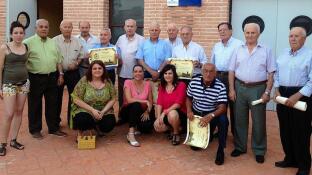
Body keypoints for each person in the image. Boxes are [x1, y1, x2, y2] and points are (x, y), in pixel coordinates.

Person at [228, 19, 276, 163]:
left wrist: (267, 92)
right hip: (240, 88)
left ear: (258, 34)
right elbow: (231, 70)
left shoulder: (266, 50)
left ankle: (259, 149)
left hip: (258, 89)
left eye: (253, 33)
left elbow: (271, 73)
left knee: (258, 121)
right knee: (240, 120)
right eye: (247, 32)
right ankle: (240, 147)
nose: (250, 35)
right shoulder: (237, 49)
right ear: (244, 33)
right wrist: (232, 89)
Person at [274, 26, 311, 175]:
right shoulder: (283, 54)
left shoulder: (310, 55)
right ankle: (290, 158)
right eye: (291, 36)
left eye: (297, 36)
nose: (293, 39)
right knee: (285, 129)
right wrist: (276, 90)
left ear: (304, 38)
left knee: (301, 131)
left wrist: (297, 96)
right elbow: (276, 73)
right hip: (282, 93)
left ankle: (304, 165)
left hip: (301, 95)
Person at [24, 19, 67, 139]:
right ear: (36, 28)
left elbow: (58, 60)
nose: (44, 29)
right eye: (41, 27)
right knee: (35, 104)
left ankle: (53, 128)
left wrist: (61, 74)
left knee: (53, 103)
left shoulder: (52, 42)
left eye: (46, 27)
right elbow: (24, 62)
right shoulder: (27, 42)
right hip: (35, 77)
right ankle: (35, 130)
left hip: (52, 77)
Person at [186, 63, 228, 165]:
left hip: (211, 114)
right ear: (202, 71)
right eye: (205, 71)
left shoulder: (220, 86)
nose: (208, 74)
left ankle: (221, 150)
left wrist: (211, 116)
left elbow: (222, 108)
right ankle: (209, 135)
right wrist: (189, 110)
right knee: (195, 148)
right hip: (196, 114)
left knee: (224, 120)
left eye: (211, 71)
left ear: (215, 73)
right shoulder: (194, 82)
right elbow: (188, 98)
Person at [0, 21, 28, 156]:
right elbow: (0, 68)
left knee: (19, 111)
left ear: (24, 34)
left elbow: (25, 64)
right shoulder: (4, 47)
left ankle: (14, 140)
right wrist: (0, 87)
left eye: (21, 33)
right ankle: (2, 143)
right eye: (16, 33)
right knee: (9, 113)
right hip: (8, 84)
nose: (18, 35)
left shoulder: (26, 47)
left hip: (23, 83)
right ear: (11, 34)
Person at [211, 22, 243, 136]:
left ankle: (236, 134)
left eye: (224, 29)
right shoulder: (216, 46)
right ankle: (221, 130)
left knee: (234, 107)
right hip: (218, 78)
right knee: (219, 105)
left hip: (232, 79)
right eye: (220, 30)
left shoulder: (239, 45)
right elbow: (213, 63)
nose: (222, 32)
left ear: (231, 31)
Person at [70, 60, 116, 138]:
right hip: (86, 109)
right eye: (94, 68)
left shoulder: (107, 81)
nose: (97, 70)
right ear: (90, 70)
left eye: (99, 68)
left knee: (109, 124)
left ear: (103, 70)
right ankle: (81, 132)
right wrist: (92, 110)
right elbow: (75, 98)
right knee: (82, 120)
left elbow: (113, 98)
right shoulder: (84, 80)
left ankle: (97, 127)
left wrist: (103, 112)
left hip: (103, 110)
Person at [53, 20, 84, 126]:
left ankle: (73, 121)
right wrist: (60, 73)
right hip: (58, 73)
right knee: (56, 97)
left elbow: (81, 56)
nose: (67, 29)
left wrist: (76, 63)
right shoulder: (54, 41)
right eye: (65, 27)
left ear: (72, 28)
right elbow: (54, 58)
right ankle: (56, 122)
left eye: (69, 27)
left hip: (73, 73)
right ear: (60, 28)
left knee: (74, 98)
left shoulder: (78, 41)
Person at [119, 65, 154, 147]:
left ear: (143, 73)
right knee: (136, 104)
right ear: (133, 73)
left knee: (146, 128)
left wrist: (147, 111)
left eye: (140, 71)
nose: (138, 73)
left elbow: (150, 102)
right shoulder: (128, 82)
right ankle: (130, 134)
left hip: (141, 111)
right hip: (127, 111)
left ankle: (137, 127)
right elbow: (129, 100)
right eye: (135, 71)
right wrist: (144, 101)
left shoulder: (148, 84)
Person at [154, 64, 187, 145]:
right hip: (167, 114)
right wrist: (158, 118)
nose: (167, 76)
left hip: (180, 114)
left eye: (170, 73)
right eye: (165, 73)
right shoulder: (162, 86)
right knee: (157, 127)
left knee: (172, 114)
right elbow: (159, 103)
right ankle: (173, 129)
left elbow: (178, 104)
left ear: (174, 74)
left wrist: (164, 113)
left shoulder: (181, 85)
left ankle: (176, 133)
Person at [116, 19, 144, 112]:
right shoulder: (120, 38)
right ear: (124, 27)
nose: (129, 28)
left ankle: (133, 116)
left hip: (136, 75)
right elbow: (116, 53)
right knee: (122, 96)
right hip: (122, 73)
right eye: (127, 26)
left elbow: (142, 57)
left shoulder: (141, 39)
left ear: (136, 27)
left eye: (132, 26)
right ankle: (122, 115)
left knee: (135, 96)